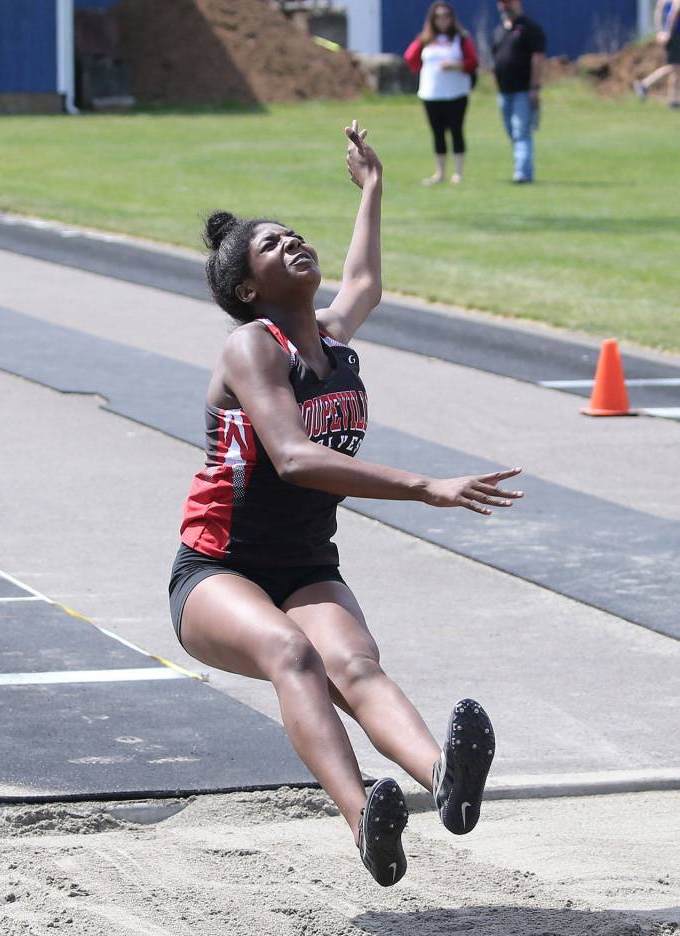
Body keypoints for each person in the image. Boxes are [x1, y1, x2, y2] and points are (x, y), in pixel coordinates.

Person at [168, 120, 524, 887]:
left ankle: (445, 784)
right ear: (247, 289)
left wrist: (372, 190)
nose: (293, 242)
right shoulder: (250, 347)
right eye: (272, 245)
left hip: (302, 564)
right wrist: (425, 485)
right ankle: (363, 816)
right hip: (215, 570)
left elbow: (364, 285)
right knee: (292, 654)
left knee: (356, 667)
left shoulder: (330, 339)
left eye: (295, 233)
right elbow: (293, 459)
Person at [404, 3, 479, 185]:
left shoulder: (460, 38)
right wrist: (421, 40)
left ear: (452, 18)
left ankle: (458, 173)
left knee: (456, 131)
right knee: (437, 133)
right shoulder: (426, 40)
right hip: (431, 94)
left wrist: (456, 65)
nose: (442, 19)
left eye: (446, 15)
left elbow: (473, 62)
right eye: (438, 16)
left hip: (456, 93)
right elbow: (410, 57)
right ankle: (440, 172)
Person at [491, 0, 546, 183]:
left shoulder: (530, 28)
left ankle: (522, 173)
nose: (505, 6)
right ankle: (524, 169)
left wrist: (534, 87)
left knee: (521, 132)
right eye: (502, 3)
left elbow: (537, 58)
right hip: (504, 91)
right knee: (512, 132)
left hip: (523, 90)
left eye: (509, 2)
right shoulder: (499, 31)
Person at [635, 0, 680, 108]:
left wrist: (660, 31)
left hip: (671, 35)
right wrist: (668, 32)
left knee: (677, 67)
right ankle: (644, 84)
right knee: (673, 66)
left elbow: (658, 12)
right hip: (676, 35)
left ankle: (672, 99)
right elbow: (674, 13)